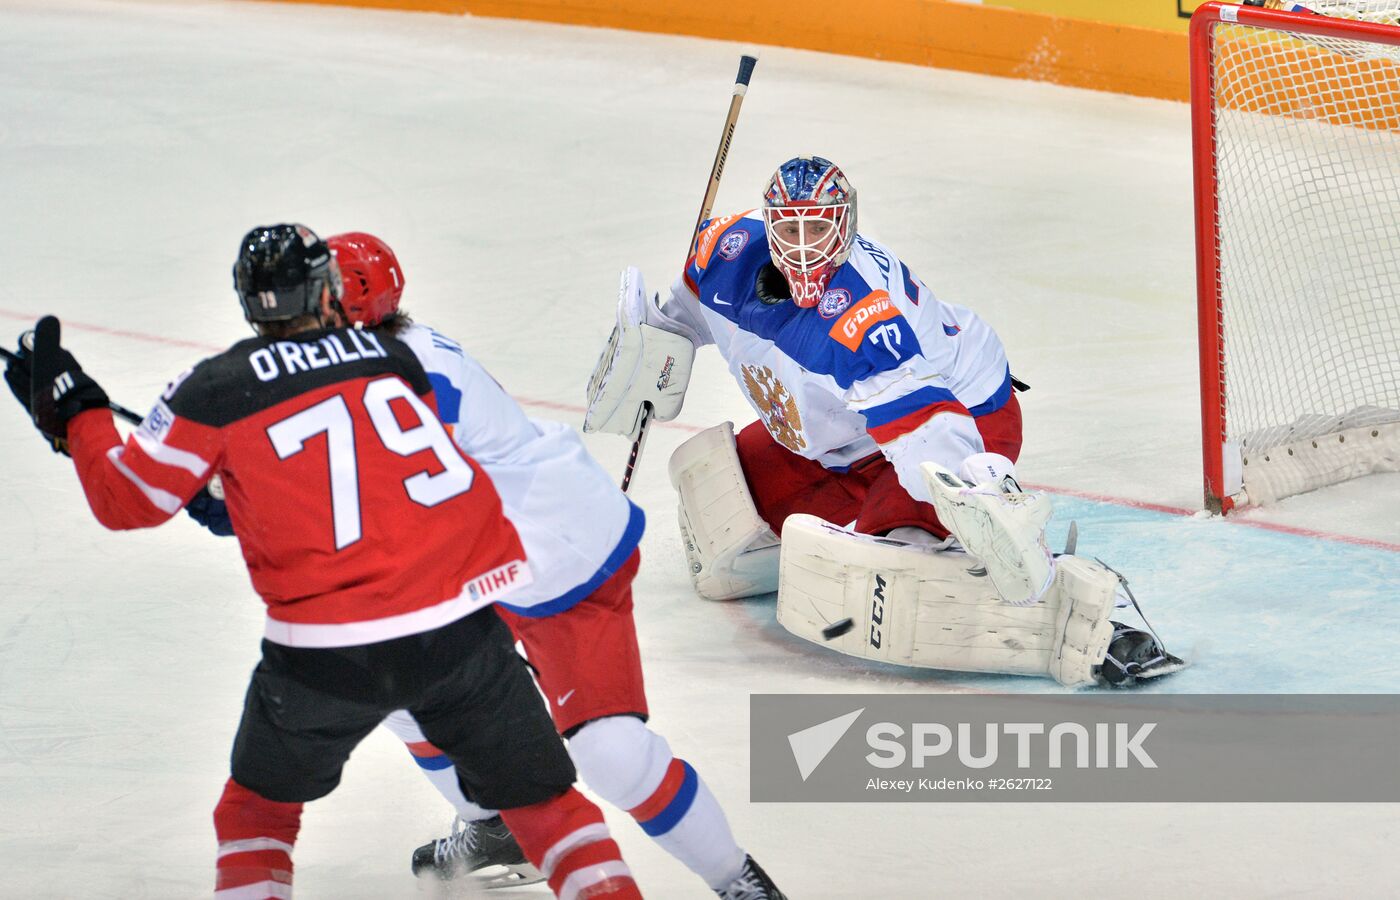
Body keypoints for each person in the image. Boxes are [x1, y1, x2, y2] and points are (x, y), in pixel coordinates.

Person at [2, 225, 642, 900]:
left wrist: (76, 417)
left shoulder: (214, 386)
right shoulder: (389, 359)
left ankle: (486, 820)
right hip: (456, 621)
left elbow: (126, 499)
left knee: (255, 819)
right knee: (551, 808)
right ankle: (511, 827)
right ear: (325, 290)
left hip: (327, 649)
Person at [188, 231, 786, 899]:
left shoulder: (383, 378)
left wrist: (227, 498)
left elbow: (335, 503)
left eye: (316, 304)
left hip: (559, 565)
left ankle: (737, 880)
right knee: (395, 682)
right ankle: (496, 820)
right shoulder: (380, 357)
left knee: (613, 758)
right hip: (474, 568)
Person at [585, 156, 1183, 687]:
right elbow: (681, 314)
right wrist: (648, 346)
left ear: (845, 227)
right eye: (788, 229)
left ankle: (1080, 620)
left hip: (960, 414)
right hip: (839, 436)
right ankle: (876, 513)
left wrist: (979, 505)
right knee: (722, 503)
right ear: (767, 225)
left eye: (818, 228)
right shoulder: (724, 254)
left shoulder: (864, 319)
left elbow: (929, 431)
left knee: (903, 567)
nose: (801, 246)